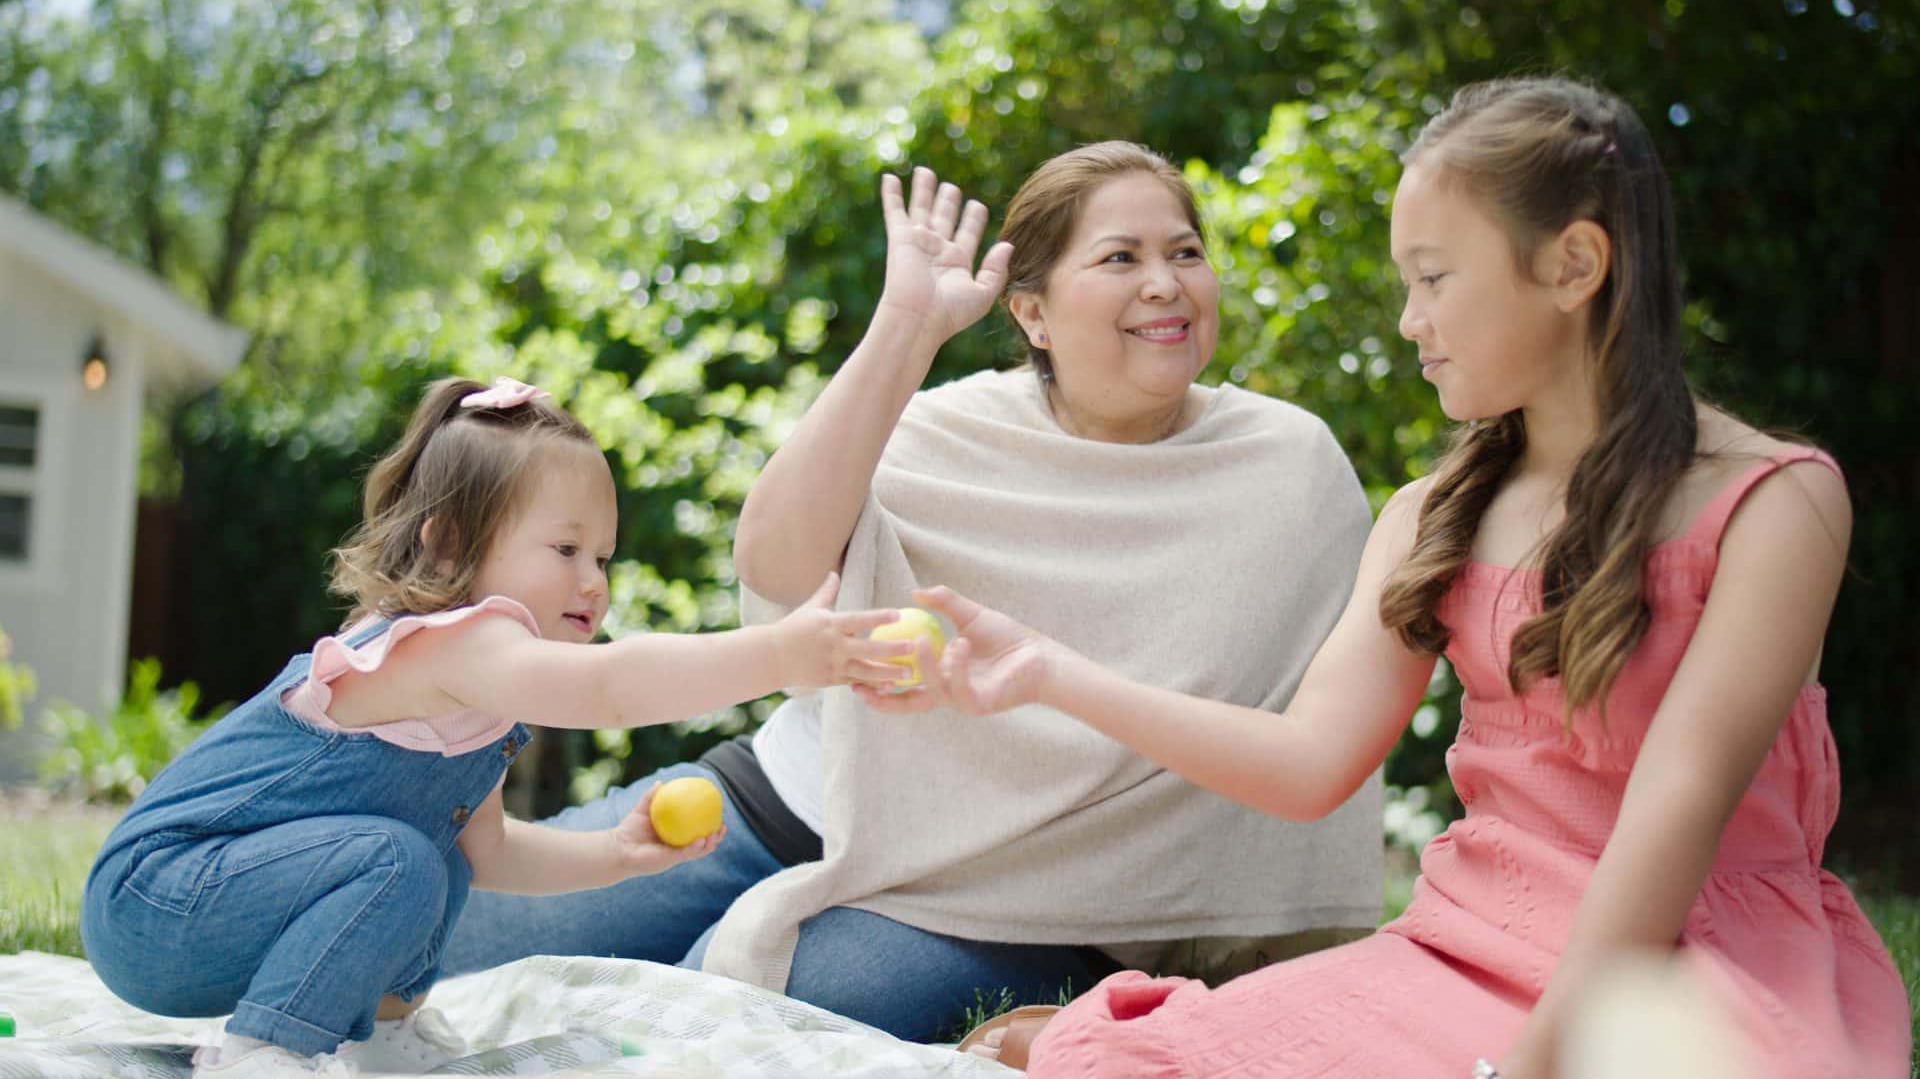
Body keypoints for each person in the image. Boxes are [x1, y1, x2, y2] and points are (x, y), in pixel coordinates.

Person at [897, 78, 1911, 1078]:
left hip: (1699, 974)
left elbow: (1675, 810)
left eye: (1434, 278)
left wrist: (1539, 1063)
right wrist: (1046, 672)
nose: (1408, 321)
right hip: (1466, 949)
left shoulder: (1776, 502)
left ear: (1573, 265)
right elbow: (1306, 763)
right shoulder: (1432, 515)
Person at [441, 144, 1385, 1041]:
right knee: (423, 946)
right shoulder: (950, 429)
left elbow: (1307, 745)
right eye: (1121, 256)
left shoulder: (1286, 468)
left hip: (1018, 905)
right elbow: (774, 562)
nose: (1165, 282)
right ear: (1033, 314)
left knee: (691, 1037)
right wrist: (908, 327)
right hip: (778, 809)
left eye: (1186, 252)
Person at [79, 376, 908, 1079]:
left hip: (218, 912)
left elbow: (494, 852)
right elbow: (612, 688)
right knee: (397, 856)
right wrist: (777, 652)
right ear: (448, 544)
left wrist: (617, 854)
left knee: (435, 855)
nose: (592, 581)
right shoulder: (453, 646)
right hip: (155, 900)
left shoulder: (480, 703)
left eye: (604, 557)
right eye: (565, 548)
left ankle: (386, 1028)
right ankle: (264, 1049)